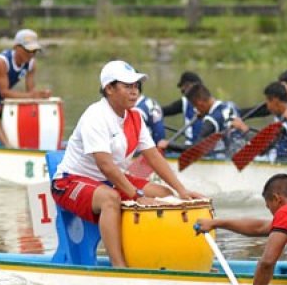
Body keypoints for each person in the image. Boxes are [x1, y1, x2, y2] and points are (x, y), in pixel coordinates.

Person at [51, 60, 204, 268]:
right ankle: (119, 266)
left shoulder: (136, 117)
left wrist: (181, 190)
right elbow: (106, 165)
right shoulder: (95, 116)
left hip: (107, 180)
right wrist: (137, 196)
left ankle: (159, 258)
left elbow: (153, 156)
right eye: (127, 86)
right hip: (68, 183)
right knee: (110, 198)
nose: (134, 92)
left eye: (136, 86)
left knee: (163, 193)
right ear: (109, 89)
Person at [184, 83, 245, 155]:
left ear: (200, 103)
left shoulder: (210, 120)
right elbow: (222, 119)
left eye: (195, 106)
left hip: (228, 159)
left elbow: (196, 148)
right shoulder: (231, 105)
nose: (196, 110)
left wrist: (170, 146)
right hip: (244, 150)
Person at [162, 71, 204, 145]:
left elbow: (162, 111)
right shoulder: (211, 102)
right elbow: (164, 111)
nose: (184, 94)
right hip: (206, 148)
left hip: (191, 148)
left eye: (183, 91)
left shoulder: (185, 101)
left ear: (188, 85)